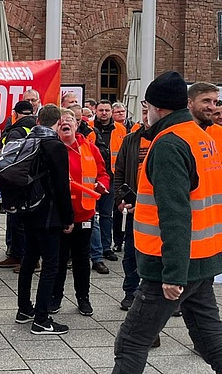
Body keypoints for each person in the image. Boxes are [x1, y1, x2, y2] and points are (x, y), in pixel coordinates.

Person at [112, 71, 222, 373]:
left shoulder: (169, 144)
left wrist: (173, 274)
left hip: (171, 263)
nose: (143, 113)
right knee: (211, 339)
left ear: (157, 108)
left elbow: (175, 212)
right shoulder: (203, 137)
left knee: (131, 342)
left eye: (145, 107)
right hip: (202, 257)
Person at [15, 105, 74, 335]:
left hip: (28, 209)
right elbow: (62, 186)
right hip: (49, 213)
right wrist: (68, 217)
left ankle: (24, 309)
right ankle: (41, 318)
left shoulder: (28, 141)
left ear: (38, 119)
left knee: (29, 260)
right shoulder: (54, 146)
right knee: (51, 264)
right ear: (58, 123)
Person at [49, 109, 108, 317]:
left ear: (76, 125)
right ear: (57, 126)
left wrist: (102, 184)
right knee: (58, 258)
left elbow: (102, 173)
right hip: (58, 215)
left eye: (70, 120)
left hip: (84, 213)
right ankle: (55, 297)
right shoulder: (51, 148)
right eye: (62, 121)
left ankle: (83, 298)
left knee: (82, 258)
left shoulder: (90, 148)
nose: (66, 123)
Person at [114, 101, 151, 310]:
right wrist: (120, 200)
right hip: (134, 206)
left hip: (157, 209)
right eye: (143, 112)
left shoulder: (166, 139)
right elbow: (119, 172)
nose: (146, 116)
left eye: (149, 112)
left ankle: (164, 297)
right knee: (131, 251)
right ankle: (131, 291)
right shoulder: (130, 140)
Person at [0, 101, 36, 270]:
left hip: (16, 182)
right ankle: (18, 255)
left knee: (18, 221)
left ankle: (25, 259)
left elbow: (9, 158)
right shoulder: (35, 128)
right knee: (22, 221)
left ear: (16, 113)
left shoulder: (17, 131)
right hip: (30, 181)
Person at [92, 99, 126, 265]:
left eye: (107, 110)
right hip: (92, 177)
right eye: (101, 110)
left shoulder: (120, 129)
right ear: (96, 112)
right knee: (90, 216)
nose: (104, 113)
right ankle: (93, 249)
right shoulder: (89, 128)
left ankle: (106, 247)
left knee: (107, 215)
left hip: (111, 177)